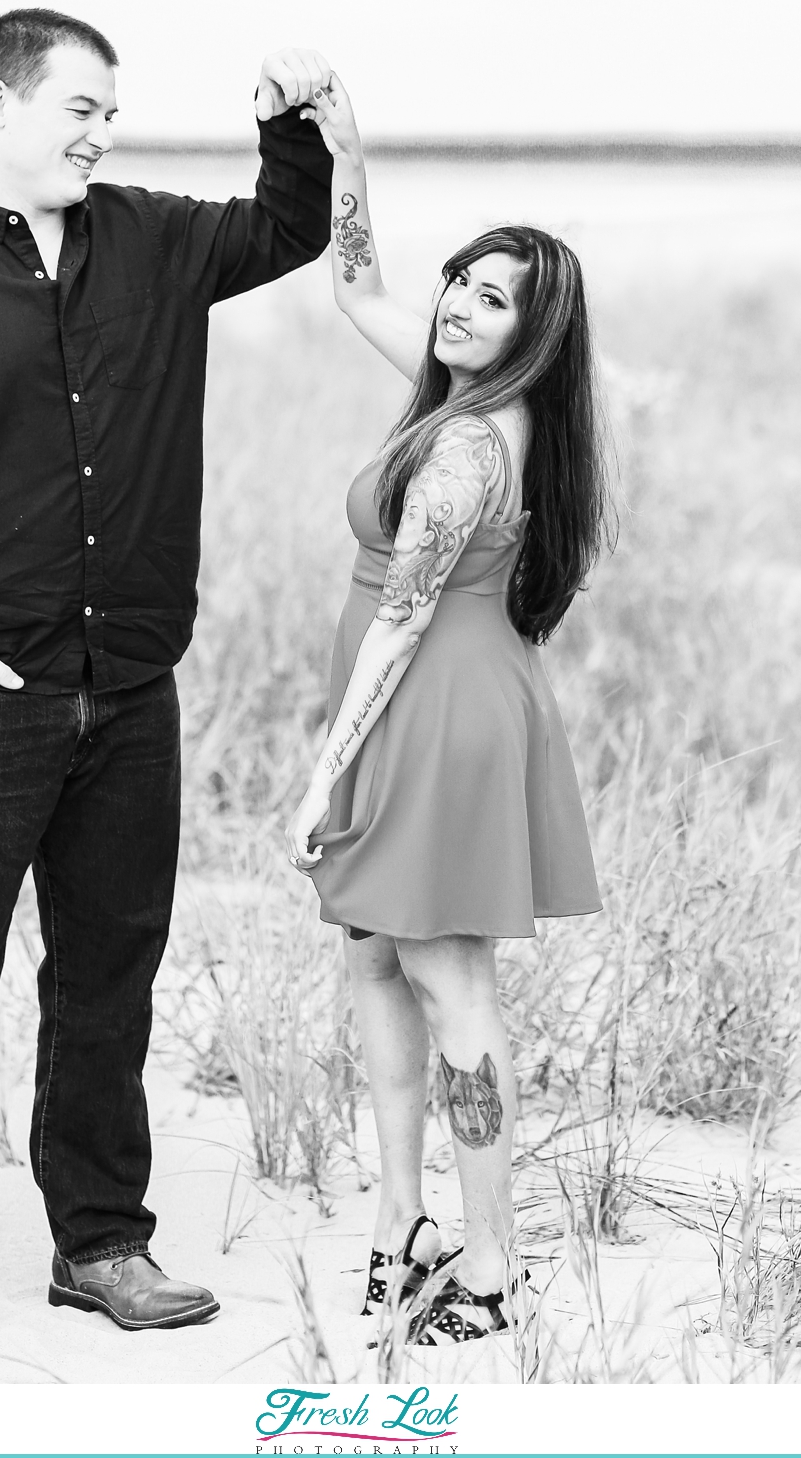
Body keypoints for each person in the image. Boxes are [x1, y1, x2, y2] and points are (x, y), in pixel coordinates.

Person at [0, 8, 335, 1359]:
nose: (104, 131)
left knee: (109, 983)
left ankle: (101, 1242)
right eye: (83, 106)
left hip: (130, 693)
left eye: (112, 111)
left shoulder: (146, 238)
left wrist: (291, 123)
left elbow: (288, 230)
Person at [284, 78, 613, 1344]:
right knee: (378, 955)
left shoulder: (473, 447)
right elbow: (358, 289)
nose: (460, 310)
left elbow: (406, 617)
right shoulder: (461, 392)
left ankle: (488, 1271)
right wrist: (350, 152)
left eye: (495, 300)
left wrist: (323, 777)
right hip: (420, 695)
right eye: (461, 284)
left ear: (535, 336)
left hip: (423, 705)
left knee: (449, 981)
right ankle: (396, 1223)